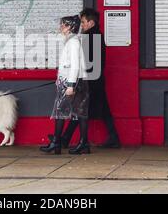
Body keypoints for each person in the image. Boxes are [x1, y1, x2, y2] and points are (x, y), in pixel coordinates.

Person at [48, 8, 121, 149]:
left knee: (81, 111)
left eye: (83, 22)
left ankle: (67, 139)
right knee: (85, 110)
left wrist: (75, 79)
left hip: (90, 80)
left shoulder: (88, 38)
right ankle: (69, 139)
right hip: (95, 79)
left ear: (91, 23)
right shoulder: (95, 36)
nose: (81, 25)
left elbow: (84, 62)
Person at [40, 15, 90, 155]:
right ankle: (83, 144)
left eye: (63, 25)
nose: (61, 27)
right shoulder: (70, 41)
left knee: (61, 112)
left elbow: (74, 66)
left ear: (70, 27)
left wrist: (70, 85)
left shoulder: (73, 42)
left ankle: (56, 143)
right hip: (74, 81)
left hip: (73, 82)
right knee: (80, 113)